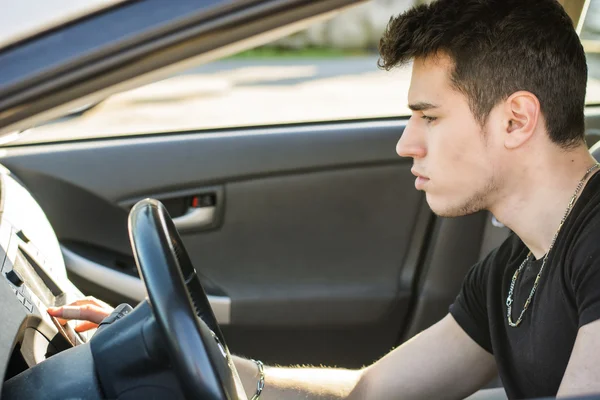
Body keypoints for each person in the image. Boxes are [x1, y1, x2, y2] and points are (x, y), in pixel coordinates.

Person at [47, 0, 600, 398]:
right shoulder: (510, 270)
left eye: (429, 116)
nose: (406, 143)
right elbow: (371, 391)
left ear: (516, 119)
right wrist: (213, 366)